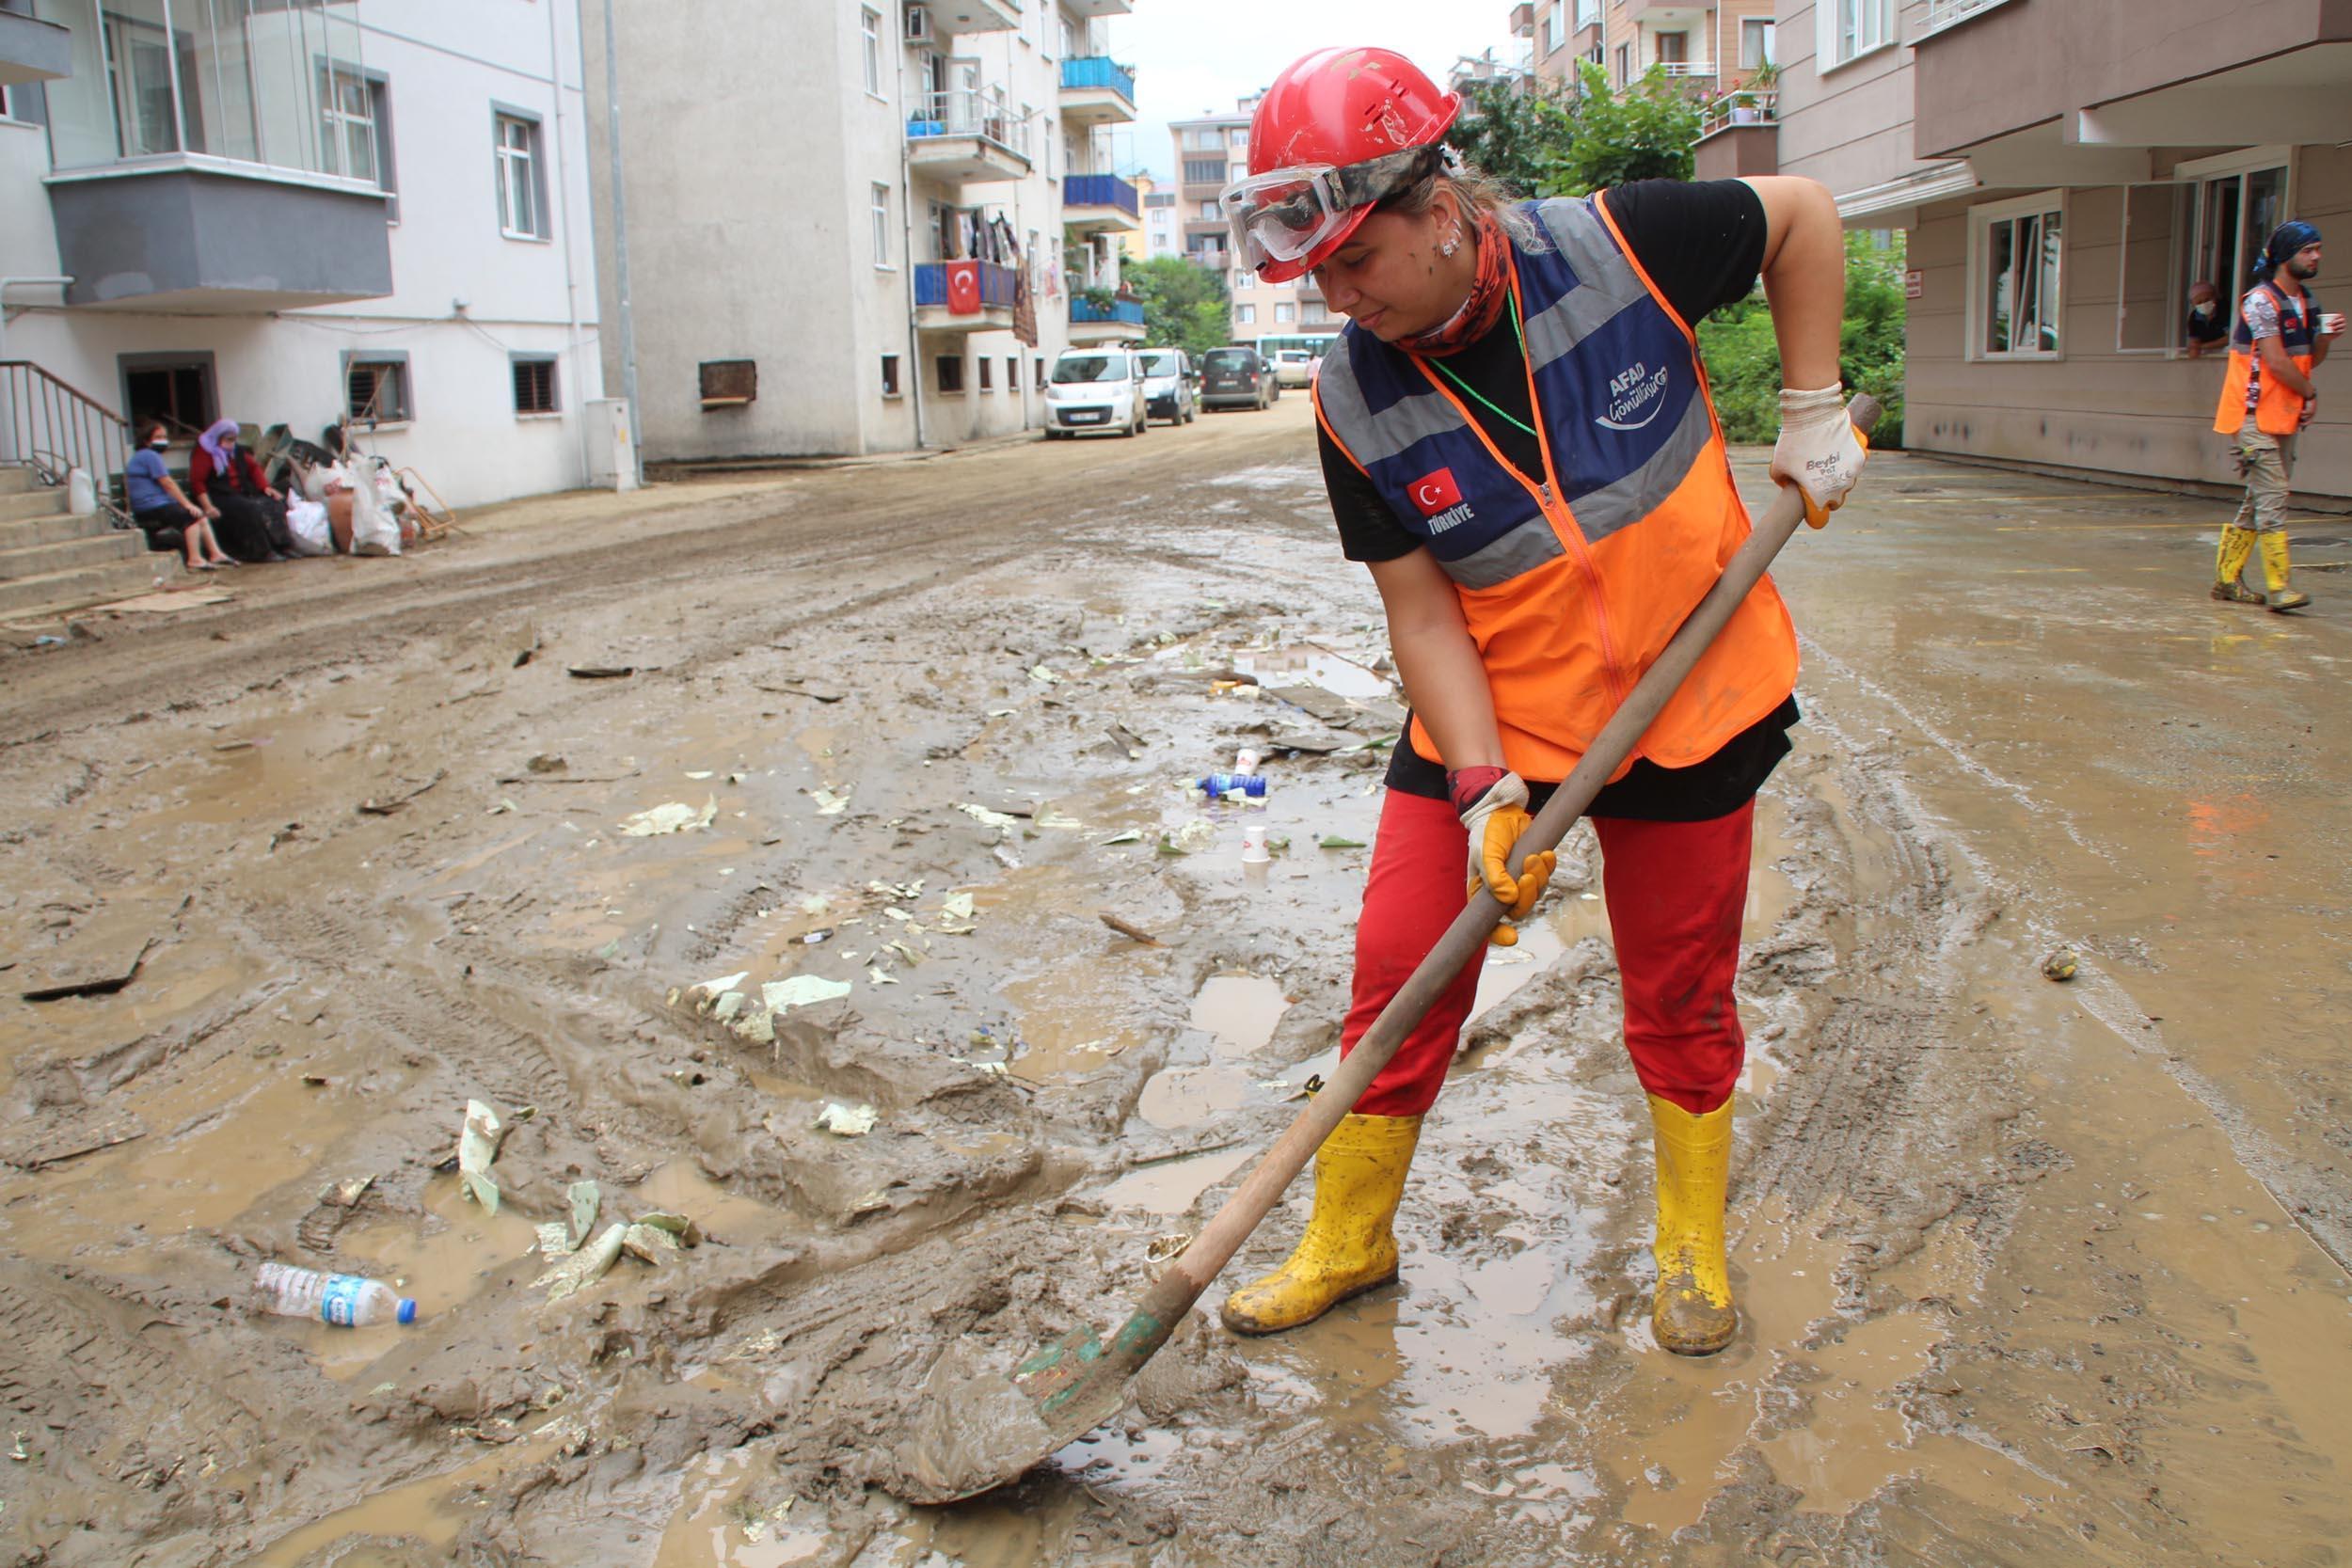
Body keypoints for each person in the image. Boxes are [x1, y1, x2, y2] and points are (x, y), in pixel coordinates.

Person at [1214, 47, 1863, 1357]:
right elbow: (1423, 610)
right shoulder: (1353, 392)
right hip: (1500, 719)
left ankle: (1689, 1237)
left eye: (1354, 261)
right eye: (1316, 272)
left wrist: (1813, 403)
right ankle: (1352, 1231)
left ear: (1439, 211)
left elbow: (1803, 216)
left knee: (1682, 989)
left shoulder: (1628, 244)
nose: (1337, 298)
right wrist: (1477, 781)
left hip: (1692, 697)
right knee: (1400, 970)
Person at [2211, 221, 2336, 611]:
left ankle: (2227, 580)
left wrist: (2325, 340)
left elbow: (2306, 360)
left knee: (2259, 498)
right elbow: (2278, 363)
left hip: (2282, 413)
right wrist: (2310, 393)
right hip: (2251, 415)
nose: (2316, 256)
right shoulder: (2261, 300)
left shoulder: (2307, 301)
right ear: (2285, 256)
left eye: (2318, 248)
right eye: (2308, 250)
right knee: (2275, 496)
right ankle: (2280, 588)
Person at [124, 422, 232, 571]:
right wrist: (187, 505)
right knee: (191, 518)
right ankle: (195, 559)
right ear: (146, 441)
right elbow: (167, 483)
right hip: (150, 507)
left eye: (164, 437)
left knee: (201, 518)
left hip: (157, 504)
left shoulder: (147, 456)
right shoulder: (149, 455)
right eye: (158, 437)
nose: (163, 440)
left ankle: (216, 554)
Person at [188, 418, 292, 562]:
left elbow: (253, 467)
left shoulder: (235, 450)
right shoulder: (204, 452)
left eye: (234, 439)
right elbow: (197, 482)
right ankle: (262, 552)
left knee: (274, 502)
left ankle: (282, 546)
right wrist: (207, 506)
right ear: (218, 437)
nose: (232, 443)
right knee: (248, 508)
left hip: (238, 492)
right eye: (228, 439)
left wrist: (265, 487)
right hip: (217, 495)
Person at [2185, 281, 2229, 357]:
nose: (2204, 304)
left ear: (2215, 297)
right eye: (2199, 302)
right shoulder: (2194, 317)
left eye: (2207, 300)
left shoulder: (2225, 311)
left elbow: (2229, 339)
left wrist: (2202, 346)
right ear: (2193, 304)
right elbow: (2194, 341)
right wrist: (2194, 348)